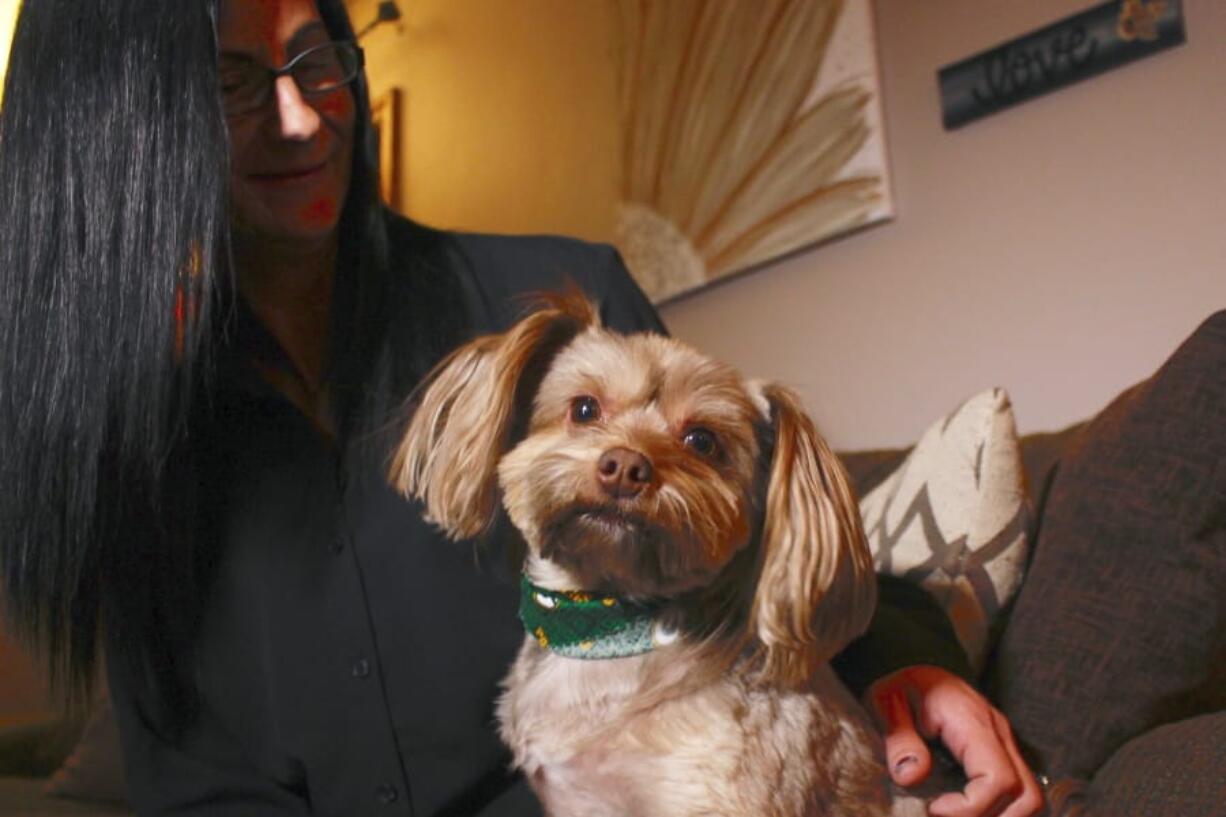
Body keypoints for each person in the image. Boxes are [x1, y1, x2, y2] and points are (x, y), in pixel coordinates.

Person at [0, 1, 1043, 815]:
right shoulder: (133, 438)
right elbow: (193, 776)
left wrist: (908, 663)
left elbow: (761, 550)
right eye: (231, 83)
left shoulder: (552, 296)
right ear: (118, 129)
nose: (303, 114)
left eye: (318, 60)